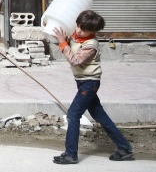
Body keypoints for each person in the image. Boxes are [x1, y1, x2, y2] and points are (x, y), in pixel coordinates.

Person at [51, 10, 134, 164]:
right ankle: (124, 148)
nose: (78, 30)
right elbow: (69, 45)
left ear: (93, 31)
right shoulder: (77, 36)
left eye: (83, 29)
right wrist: (63, 39)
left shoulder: (91, 45)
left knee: (73, 115)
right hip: (83, 82)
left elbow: (75, 60)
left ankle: (71, 154)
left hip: (89, 83)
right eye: (78, 26)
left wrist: (63, 43)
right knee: (99, 115)